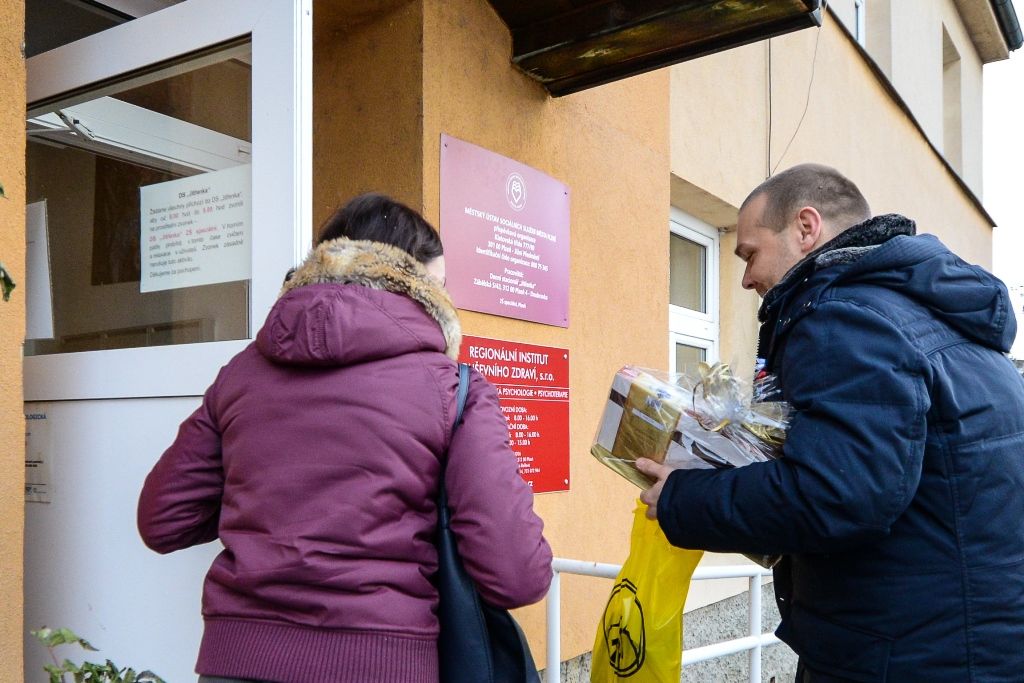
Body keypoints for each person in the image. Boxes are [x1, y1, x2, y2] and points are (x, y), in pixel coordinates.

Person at [137, 193, 553, 683]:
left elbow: (163, 519)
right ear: (411, 284)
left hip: (236, 662)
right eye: (439, 286)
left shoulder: (242, 375)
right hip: (381, 662)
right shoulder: (452, 388)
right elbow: (516, 574)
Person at [636, 163, 1024, 682]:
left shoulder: (846, 318)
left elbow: (839, 493)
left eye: (749, 253)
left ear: (805, 227)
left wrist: (686, 496)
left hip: (900, 657)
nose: (747, 277)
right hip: (969, 641)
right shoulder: (934, 316)